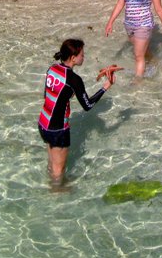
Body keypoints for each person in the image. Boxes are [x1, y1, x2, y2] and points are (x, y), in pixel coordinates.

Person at [39, 38, 117, 185]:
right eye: (82, 54)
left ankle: (50, 189)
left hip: (43, 123)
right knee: (58, 173)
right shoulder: (74, 80)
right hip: (58, 129)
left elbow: (48, 94)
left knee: (52, 165)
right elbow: (87, 105)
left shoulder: (52, 69)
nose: (84, 57)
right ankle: (57, 198)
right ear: (73, 58)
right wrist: (106, 86)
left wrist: (68, 94)